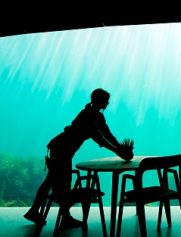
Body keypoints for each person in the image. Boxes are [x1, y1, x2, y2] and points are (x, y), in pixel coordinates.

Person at [24, 88, 134, 230]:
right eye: (106, 101)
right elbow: (99, 137)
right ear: (99, 101)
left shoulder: (97, 116)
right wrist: (119, 152)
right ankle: (53, 215)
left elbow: (107, 134)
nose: (107, 104)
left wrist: (120, 148)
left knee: (54, 182)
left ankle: (53, 215)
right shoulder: (87, 115)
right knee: (56, 182)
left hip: (63, 149)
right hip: (61, 150)